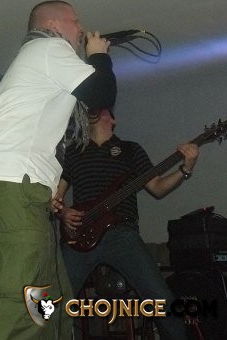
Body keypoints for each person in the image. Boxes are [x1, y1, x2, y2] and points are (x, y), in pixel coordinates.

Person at [0, 0, 117, 339]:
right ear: (53, 24)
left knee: (49, 301)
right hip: (15, 187)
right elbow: (101, 93)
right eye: (75, 21)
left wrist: (46, 186)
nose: (81, 28)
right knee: (20, 299)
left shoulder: (38, 59)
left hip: (19, 188)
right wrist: (99, 56)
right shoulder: (49, 48)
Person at [55, 108, 197, 340]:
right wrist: (63, 214)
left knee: (162, 302)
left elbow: (158, 188)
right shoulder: (73, 152)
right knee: (55, 304)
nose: (93, 110)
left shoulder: (130, 150)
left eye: (101, 108)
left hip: (121, 235)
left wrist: (186, 168)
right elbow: (56, 198)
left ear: (111, 118)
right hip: (79, 236)